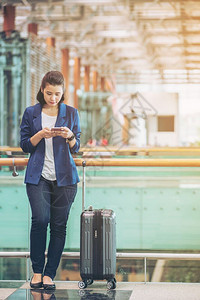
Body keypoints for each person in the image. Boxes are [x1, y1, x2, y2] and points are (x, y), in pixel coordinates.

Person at [20, 71, 81, 290]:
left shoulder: (71, 113)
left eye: (57, 94)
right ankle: (37, 271)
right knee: (40, 220)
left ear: (63, 92)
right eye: (48, 93)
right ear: (42, 90)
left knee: (58, 226)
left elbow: (78, 148)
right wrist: (40, 135)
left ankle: (49, 274)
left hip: (65, 179)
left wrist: (70, 137)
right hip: (38, 177)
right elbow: (25, 145)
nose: (53, 98)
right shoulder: (31, 113)